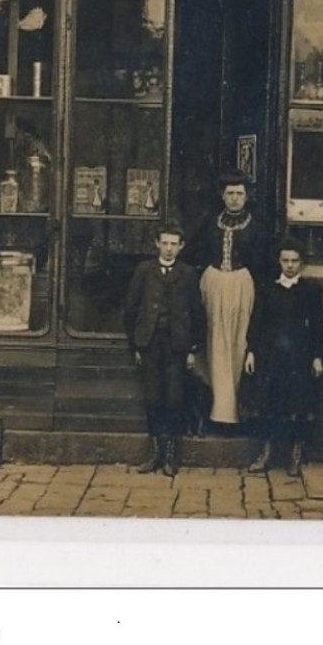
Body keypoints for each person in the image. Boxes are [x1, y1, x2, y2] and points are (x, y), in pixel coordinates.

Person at [124, 220, 205, 476]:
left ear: (181, 247)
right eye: (165, 243)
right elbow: (131, 308)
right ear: (157, 244)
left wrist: (193, 348)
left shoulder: (189, 274)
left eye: (174, 244)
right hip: (150, 342)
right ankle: (155, 453)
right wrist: (136, 344)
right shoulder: (144, 271)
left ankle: (171, 455)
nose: (169, 249)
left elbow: (196, 313)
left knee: (174, 397)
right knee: (153, 396)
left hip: (177, 345)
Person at [244, 236, 323, 478]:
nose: (289, 265)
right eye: (285, 260)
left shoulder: (310, 290)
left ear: (301, 263)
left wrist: (317, 356)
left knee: (297, 406)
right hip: (270, 354)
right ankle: (266, 454)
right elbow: (256, 321)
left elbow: (318, 326)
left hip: (298, 355)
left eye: (294, 261)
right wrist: (250, 351)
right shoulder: (268, 288)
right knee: (268, 405)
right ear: (279, 262)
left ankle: (295, 456)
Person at [186, 170, 262, 428]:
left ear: (247, 196)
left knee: (237, 343)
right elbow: (195, 250)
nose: (235, 199)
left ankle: (235, 412)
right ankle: (215, 411)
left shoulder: (257, 226)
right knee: (213, 341)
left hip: (242, 285)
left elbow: (263, 262)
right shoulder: (209, 222)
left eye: (239, 193)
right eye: (230, 193)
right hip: (213, 284)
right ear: (222, 195)